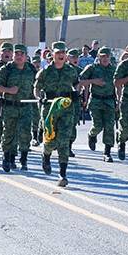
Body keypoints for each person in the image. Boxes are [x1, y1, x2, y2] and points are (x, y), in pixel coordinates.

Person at [34, 41, 79, 186]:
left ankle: (63, 173)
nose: (60, 55)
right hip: (49, 109)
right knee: (50, 140)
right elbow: (36, 89)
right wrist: (39, 97)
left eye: (63, 53)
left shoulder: (71, 70)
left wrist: (77, 92)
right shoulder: (45, 71)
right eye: (58, 53)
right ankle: (46, 155)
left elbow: (76, 84)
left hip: (66, 109)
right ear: (52, 54)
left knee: (64, 140)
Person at [0, 44, 37, 172]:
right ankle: (6, 158)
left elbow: (39, 84)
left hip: (26, 107)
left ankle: (23, 159)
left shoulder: (31, 69)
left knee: (25, 134)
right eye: (16, 54)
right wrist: (8, 90)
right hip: (10, 106)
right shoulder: (7, 69)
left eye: (21, 54)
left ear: (26, 56)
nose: (19, 56)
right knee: (8, 133)